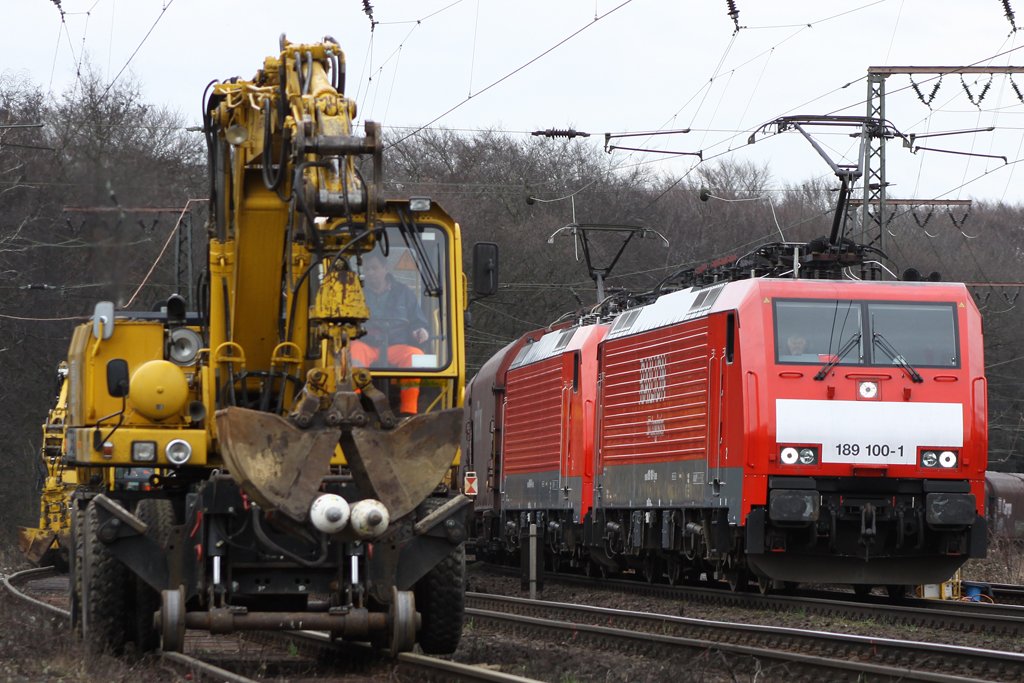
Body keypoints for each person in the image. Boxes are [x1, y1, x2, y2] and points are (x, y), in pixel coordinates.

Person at [350, 251, 430, 415]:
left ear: (385, 268)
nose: (370, 273)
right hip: (366, 344)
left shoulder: (404, 293)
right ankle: (352, 406)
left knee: (415, 356)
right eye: (367, 269)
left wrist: (420, 331)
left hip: (396, 345)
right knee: (353, 351)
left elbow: (417, 321)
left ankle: (409, 411)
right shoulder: (355, 293)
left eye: (374, 268)